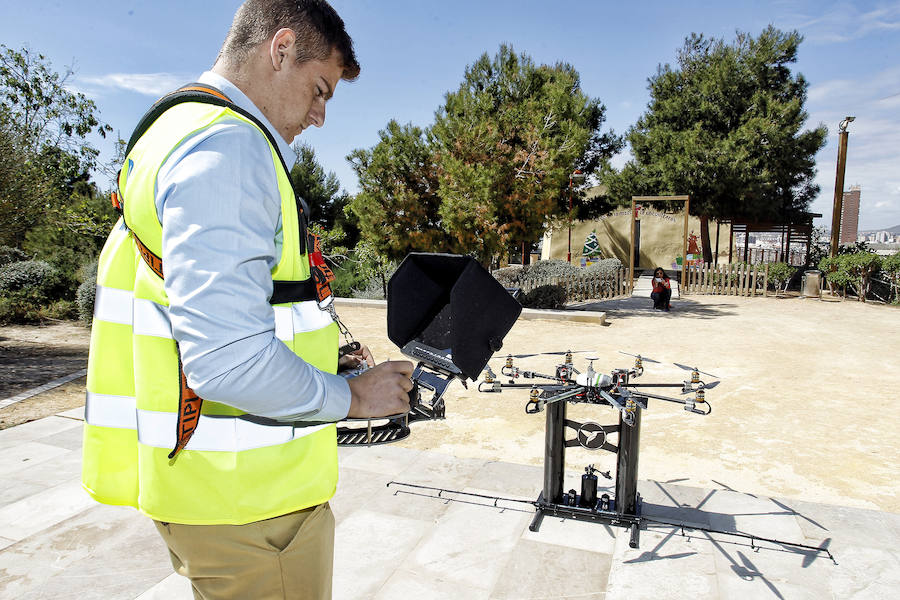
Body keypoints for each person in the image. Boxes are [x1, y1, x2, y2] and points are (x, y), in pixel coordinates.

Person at [81, 2, 412, 598]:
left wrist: (319, 359)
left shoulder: (171, 128)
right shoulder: (228, 152)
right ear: (280, 48)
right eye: (319, 90)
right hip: (253, 510)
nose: (320, 115)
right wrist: (352, 395)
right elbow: (228, 359)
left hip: (209, 493)